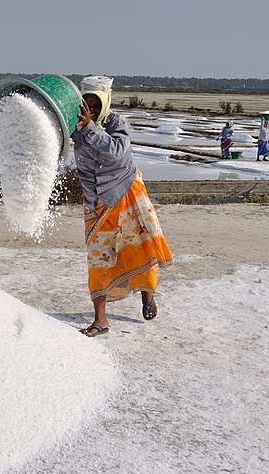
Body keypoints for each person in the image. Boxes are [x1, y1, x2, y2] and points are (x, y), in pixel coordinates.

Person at [71, 76, 173, 337]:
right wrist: (0, 119)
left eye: (95, 103)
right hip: (96, 202)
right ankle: (100, 320)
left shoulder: (117, 122)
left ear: (105, 103)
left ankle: (147, 295)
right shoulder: (74, 122)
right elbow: (46, 129)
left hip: (125, 194)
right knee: (99, 259)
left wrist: (90, 127)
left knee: (138, 249)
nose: (90, 108)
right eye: (86, 103)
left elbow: (117, 150)